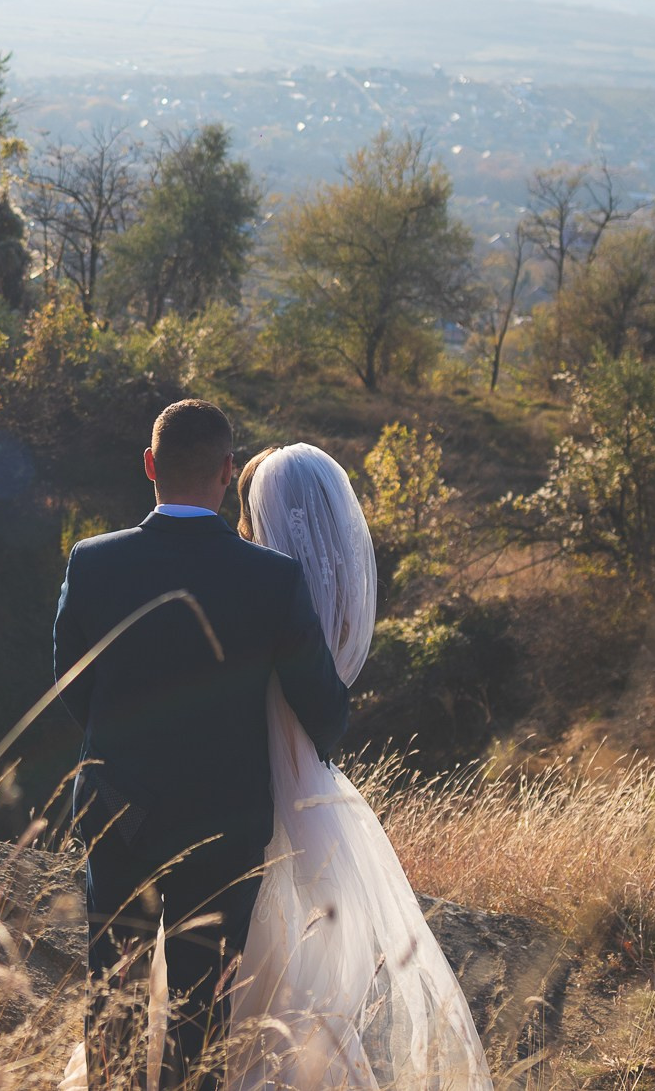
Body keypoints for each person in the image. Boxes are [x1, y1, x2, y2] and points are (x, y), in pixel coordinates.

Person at [53, 401, 351, 1088]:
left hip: (117, 815)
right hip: (225, 831)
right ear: (227, 470)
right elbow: (322, 710)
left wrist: (119, 752)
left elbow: (73, 683)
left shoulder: (94, 562)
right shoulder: (272, 579)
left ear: (150, 465)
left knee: (114, 1014)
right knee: (201, 1030)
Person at [224, 443, 493, 1090]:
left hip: (239, 789)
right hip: (312, 788)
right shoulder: (329, 607)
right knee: (310, 980)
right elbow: (324, 705)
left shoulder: (250, 590)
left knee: (247, 974)